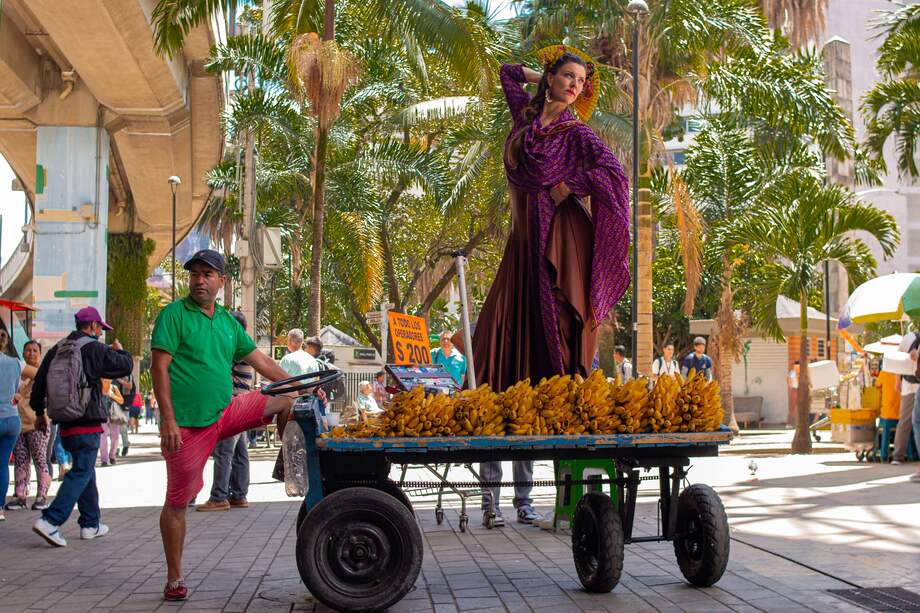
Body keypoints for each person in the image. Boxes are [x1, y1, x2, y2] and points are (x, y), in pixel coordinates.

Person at [471, 46, 630, 527]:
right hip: (518, 252)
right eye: (567, 76)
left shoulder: (577, 133)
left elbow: (613, 175)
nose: (574, 86)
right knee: (498, 363)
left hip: (554, 247)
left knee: (546, 361)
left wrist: (572, 185)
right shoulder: (524, 113)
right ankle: (491, 500)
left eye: (581, 81)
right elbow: (504, 72)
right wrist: (537, 72)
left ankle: (527, 499)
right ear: (550, 77)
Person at [151, 249, 304, 601]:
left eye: (208, 274)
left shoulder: (227, 323)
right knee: (178, 502)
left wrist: (299, 385)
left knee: (285, 397)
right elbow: (158, 369)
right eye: (195, 274)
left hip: (226, 412)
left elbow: (262, 361)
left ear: (222, 281)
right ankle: (174, 577)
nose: (200, 280)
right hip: (187, 426)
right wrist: (167, 420)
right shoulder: (173, 315)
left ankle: (290, 464)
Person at [31, 307, 134, 545]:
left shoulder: (58, 349)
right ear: (93, 326)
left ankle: (91, 523)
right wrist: (121, 350)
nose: (101, 333)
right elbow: (125, 366)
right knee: (81, 471)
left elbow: (39, 384)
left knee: (85, 470)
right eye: (100, 328)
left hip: (65, 423)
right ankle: (51, 520)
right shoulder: (94, 349)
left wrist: (39, 413)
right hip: (87, 422)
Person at [196, 311, 254, 512]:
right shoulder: (244, 344)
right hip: (242, 404)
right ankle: (238, 494)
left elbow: (217, 366)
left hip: (232, 405)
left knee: (224, 452)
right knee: (239, 452)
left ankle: (219, 496)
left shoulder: (237, 345)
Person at [7, 340, 50, 512]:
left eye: (34, 351)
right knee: (21, 460)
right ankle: (20, 495)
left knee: (40, 459)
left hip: (37, 422)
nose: (31, 353)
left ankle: (42, 495)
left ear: (40, 354)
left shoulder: (43, 374)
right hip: (18, 422)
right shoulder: (17, 371)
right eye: (27, 350)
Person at [0, 331, 38, 521]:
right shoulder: (16, 363)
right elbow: (38, 373)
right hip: (12, 421)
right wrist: (19, 390)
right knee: (2, 464)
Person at [894, 332, 918, 464]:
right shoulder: (908, 338)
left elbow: (897, 362)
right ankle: (898, 455)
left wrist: (897, 381)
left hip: (908, 384)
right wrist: (897, 381)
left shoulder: (908, 337)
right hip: (910, 384)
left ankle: (898, 456)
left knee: (904, 422)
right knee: (905, 422)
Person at [98, 379, 124, 466]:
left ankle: (112, 455)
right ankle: (104, 460)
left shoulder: (114, 388)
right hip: (102, 416)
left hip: (114, 416)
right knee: (103, 437)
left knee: (115, 437)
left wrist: (112, 396)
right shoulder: (98, 387)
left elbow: (121, 401)